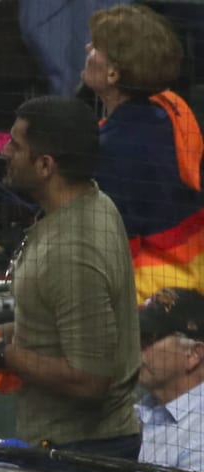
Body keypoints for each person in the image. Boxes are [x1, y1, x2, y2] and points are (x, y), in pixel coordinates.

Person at [0, 96, 142, 457]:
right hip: (69, 445)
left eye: (15, 144)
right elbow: (56, 322)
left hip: (83, 454)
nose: (5, 150)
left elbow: (90, 380)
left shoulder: (75, 250)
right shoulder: (92, 200)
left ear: (45, 165)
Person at [82, 3, 203, 299]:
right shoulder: (175, 110)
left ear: (113, 74)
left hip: (149, 294)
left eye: (96, 46)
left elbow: (107, 248)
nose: (87, 48)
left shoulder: (110, 146)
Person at [135, 288, 204, 472]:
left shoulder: (199, 434)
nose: (136, 347)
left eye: (148, 338)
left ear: (193, 354)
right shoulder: (138, 410)